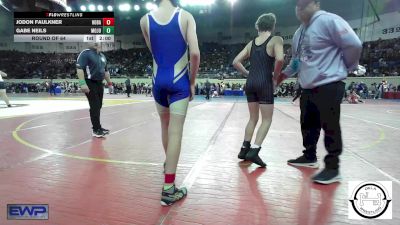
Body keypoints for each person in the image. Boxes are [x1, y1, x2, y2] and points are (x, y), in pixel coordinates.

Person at [274, 0, 362, 184]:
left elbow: (354, 44)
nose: (300, 10)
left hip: (329, 83)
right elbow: (297, 62)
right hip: (307, 86)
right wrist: (281, 77)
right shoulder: (299, 33)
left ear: (316, 4)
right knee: (308, 124)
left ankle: (332, 167)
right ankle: (309, 156)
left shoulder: (329, 21)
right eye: (297, 6)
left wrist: (348, 66)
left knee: (330, 125)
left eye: (304, 5)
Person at [140, 0, 200, 206]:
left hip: (158, 81)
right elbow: (195, 54)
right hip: (179, 81)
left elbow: (154, 51)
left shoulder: (144, 20)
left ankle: (169, 165)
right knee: (176, 132)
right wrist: (191, 82)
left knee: (164, 126)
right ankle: (168, 189)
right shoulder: (186, 16)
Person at [233, 13, 284, 167]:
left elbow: (236, 61)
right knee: (267, 119)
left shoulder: (251, 43)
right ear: (273, 26)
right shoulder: (276, 40)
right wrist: (275, 77)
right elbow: (280, 59)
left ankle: (244, 149)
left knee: (253, 118)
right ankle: (254, 151)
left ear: (257, 26)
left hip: (250, 83)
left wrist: (248, 73)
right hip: (264, 82)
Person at [76, 42, 113, 138]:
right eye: (93, 41)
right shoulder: (86, 53)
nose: (97, 43)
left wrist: (110, 83)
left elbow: (106, 71)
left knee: (99, 105)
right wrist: (82, 83)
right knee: (95, 105)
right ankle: (96, 129)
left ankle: (98, 127)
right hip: (90, 82)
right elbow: (79, 68)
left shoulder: (102, 56)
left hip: (99, 83)